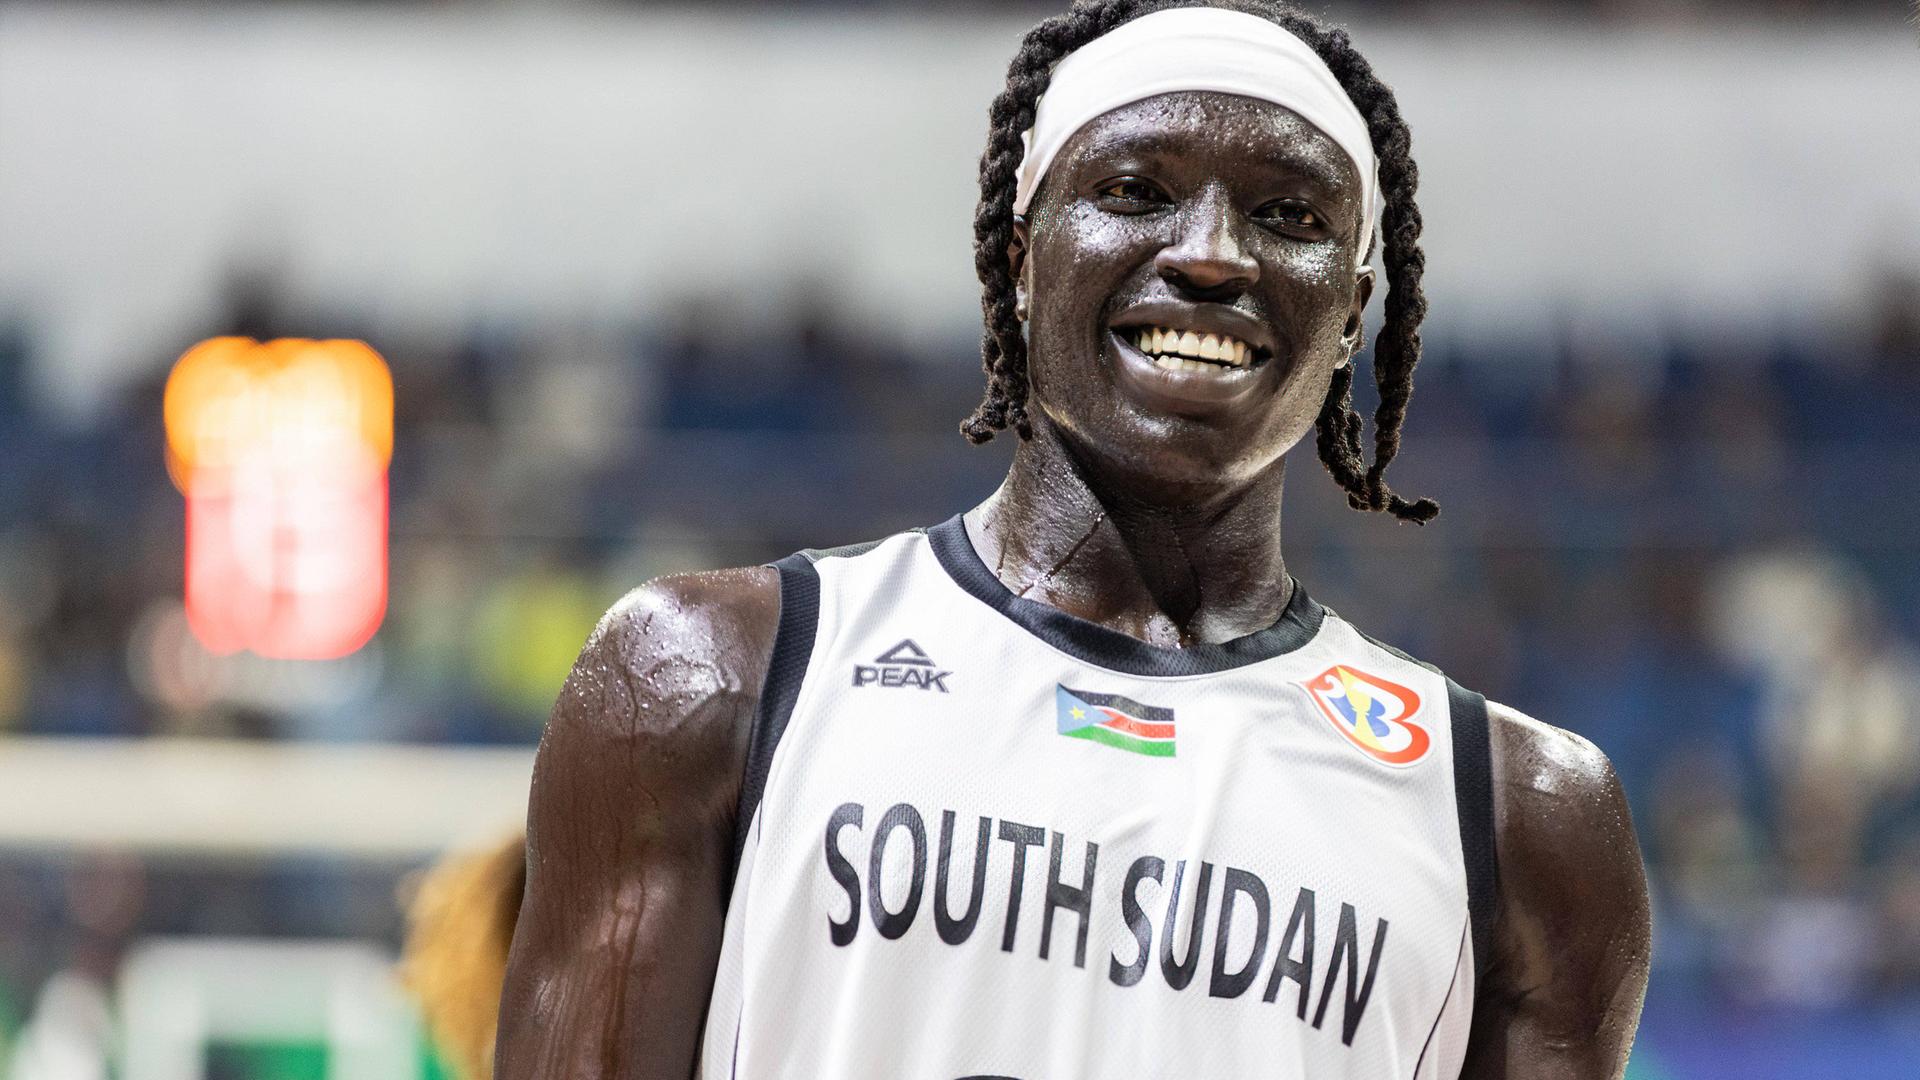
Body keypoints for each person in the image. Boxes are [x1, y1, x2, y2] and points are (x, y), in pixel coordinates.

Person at [494, 2, 1652, 1077]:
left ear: (1353, 313)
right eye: (1138, 191)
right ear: (1018, 256)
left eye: (1288, 215)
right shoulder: (713, 672)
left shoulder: (1519, 815)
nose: (1213, 254)